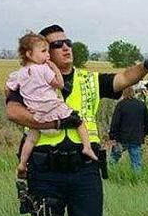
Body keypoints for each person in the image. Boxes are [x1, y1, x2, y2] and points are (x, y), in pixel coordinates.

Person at [4, 24, 148, 216]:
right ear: (44, 52)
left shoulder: (89, 80)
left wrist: (146, 65)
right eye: (56, 44)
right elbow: (12, 112)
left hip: (84, 170)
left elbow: (124, 78)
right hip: (45, 171)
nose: (66, 47)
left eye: (67, 41)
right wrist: (55, 123)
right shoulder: (29, 77)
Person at [6, 33, 98, 179]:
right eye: (44, 52)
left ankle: (23, 164)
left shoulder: (19, 74)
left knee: (31, 138)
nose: (47, 55)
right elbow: (59, 84)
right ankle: (87, 147)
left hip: (35, 113)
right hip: (52, 107)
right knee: (78, 121)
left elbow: (9, 89)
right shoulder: (43, 69)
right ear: (29, 54)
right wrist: (54, 67)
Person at [109, 86, 148, 172]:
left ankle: (110, 176)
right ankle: (136, 181)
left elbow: (115, 123)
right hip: (136, 138)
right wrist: (143, 134)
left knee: (113, 159)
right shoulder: (141, 105)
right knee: (136, 163)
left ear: (123, 94)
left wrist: (112, 137)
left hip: (121, 138)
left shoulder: (120, 105)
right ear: (133, 93)